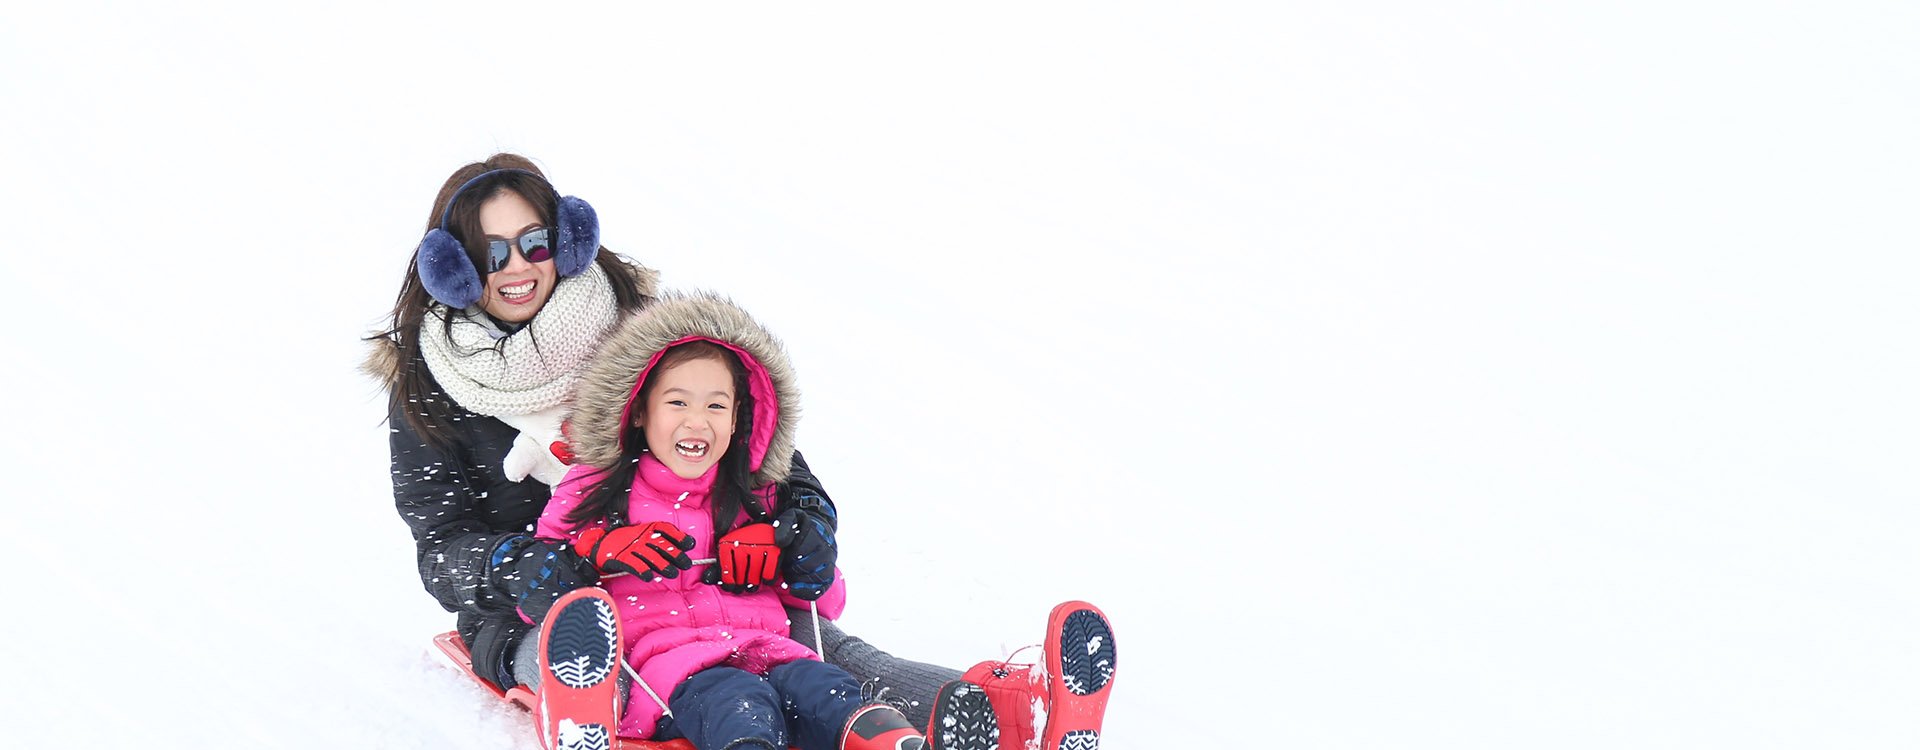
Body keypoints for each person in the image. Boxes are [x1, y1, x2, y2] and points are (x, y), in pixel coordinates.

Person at [363, 154, 1117, 750]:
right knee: (571, 647)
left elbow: (770, 458)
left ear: (564, 242)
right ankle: (584, 708)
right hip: (546, 605)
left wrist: (800, 530)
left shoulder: (645, 337)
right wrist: (516, 566)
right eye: (492, 253)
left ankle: (1012, 712)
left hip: (711, 581)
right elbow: (441, 548)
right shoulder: (433, 392)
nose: (518, 266)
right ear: (453, 268)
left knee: (836, 661)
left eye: (533, 242)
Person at [533, 291, 998, 750]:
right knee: (740, 701)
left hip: (770, 649)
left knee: (831, 692)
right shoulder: (595, 489)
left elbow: (825, 602)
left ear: (737, 420)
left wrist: (788, 560)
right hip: (673, 668)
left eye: (716, 406)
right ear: (638, 411)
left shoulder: (756, 493)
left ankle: (900, 743)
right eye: (678, 403)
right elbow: (539, 587)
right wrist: (591, 552)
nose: (698, 422)